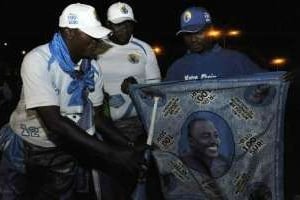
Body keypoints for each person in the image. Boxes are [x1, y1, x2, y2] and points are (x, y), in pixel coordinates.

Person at [0, 3, 142, 199]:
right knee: (12, 194)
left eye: (97, 33)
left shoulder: (92, 68)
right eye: (89, 34)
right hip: (25, 144)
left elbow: (95, 117)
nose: (97, 40)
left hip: (65, 147)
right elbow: (54, 122)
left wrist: (127, 145)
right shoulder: (38, 60)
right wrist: (112, 154)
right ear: (69, 32)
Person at [96, 1, 161, 142]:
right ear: (108, 24)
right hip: (102, 125)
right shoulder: (95, 48)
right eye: (119, 24)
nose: (125, 29)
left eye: (128, 24)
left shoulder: (144, 49)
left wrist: (137, 88)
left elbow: (156, 93)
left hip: (136, 124)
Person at [165, 6, 266, 81]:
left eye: (198, 32)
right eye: (187, 34)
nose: (193, 39)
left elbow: (270, 85)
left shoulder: (236, 60)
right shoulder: (176, 68)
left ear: (210, 29)